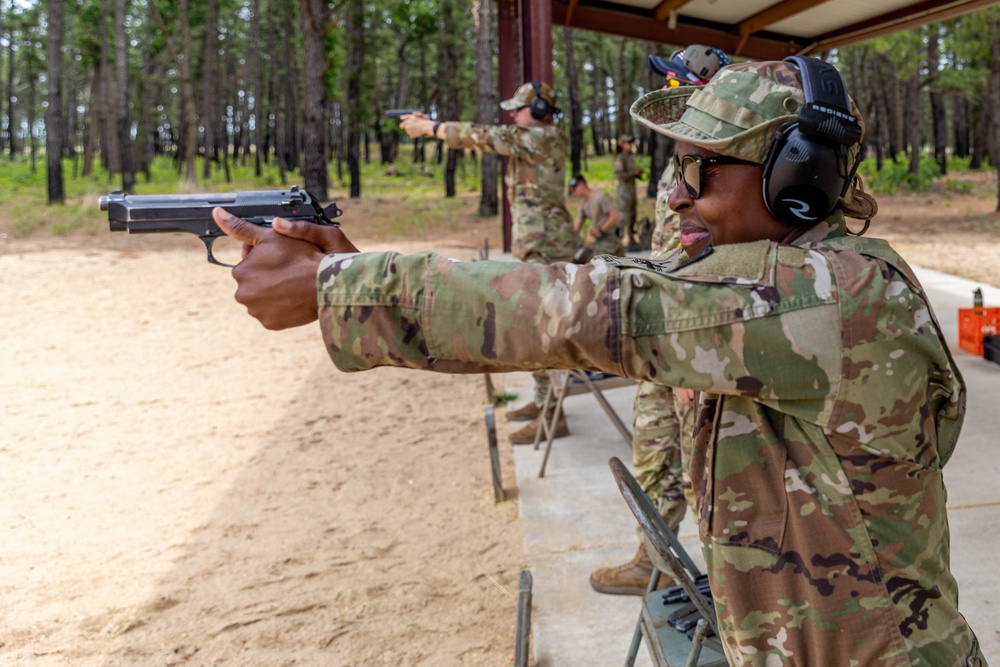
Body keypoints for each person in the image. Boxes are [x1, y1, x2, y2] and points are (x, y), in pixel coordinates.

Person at [212, 57, 985, 666]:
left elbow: (591, 308)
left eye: (701, 168)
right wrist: (353, 270)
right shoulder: (780, 285)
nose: (676, 196)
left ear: (799, 179)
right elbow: (618, 294)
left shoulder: (833, 296)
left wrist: (343, 288)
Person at [589, 45, 729, 597]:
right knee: (652, 446)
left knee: (708, 472)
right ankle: (652, 558)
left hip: (698, 330)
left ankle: (736, 597)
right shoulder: (681, 152)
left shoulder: (727, 155)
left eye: (673, 82)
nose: (665, 91)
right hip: (662, 323)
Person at [399, 82, 581, 445]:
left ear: (542, 111)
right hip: (538, 242)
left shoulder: (542, 136)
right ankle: (545, 401)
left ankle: (552, 412)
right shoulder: (531, 139)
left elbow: (486, 136)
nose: (513, 114)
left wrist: (431, 128)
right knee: (535, 324)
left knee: (541, 326)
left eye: (520, 108)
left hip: (544, 243)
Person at [568, 173, 623, 261]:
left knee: (594, 262)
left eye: (574, 189)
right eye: (572, 191)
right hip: (598, 241)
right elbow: (577, 225)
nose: (574, 193)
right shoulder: (584, 204)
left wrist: (601, 230)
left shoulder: (600, 197)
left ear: (582, 184)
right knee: (579, 259)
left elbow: (615, 216)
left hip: (610, 239)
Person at [614, 134, 643, 250]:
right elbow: (619, 175)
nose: (630, 146)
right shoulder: (620, 158)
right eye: (627, 143)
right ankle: (617, 241)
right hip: (624, 190)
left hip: (631, 189)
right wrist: (633, 174)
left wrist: (637, 174)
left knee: (632, 214)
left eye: (631, 144)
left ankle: (631, 239)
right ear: (622, 145)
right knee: (623, 215)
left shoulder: (630, 157)